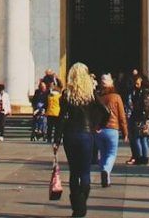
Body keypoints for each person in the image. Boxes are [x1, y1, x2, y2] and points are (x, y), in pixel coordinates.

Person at [57, 62, 101, 217]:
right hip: (87, 136)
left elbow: (61, 119)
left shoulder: (66, 94)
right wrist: (96, 124)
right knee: (85, 172)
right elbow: (106, 111)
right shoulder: (91, 94)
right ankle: (81, 202)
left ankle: (77, 206)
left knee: (74, 172)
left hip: (70, 136)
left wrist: (56, 140)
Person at [96, 73, 127, 187]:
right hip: (112, 129)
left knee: (103, 153)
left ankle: (106, 179)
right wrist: (125, 132)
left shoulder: (98, 97)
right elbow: (122, 116)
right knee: (112, 153)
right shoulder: (116, 97)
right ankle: (106, 170)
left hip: (99, 130)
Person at [127, 73, 149, 166]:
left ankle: (141, 157)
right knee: (142, 138)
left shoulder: (144, 92)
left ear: (141, 80)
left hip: (142, 118)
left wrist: (142, 114)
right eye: (134, 81)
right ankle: (143, 157)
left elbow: (145, 105)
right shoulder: (139, 91)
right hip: (142, 117)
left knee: (139, 138)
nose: (135, 83)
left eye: (137, 80)